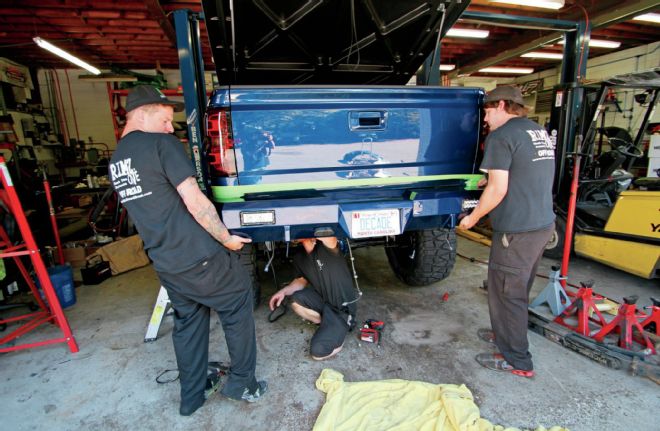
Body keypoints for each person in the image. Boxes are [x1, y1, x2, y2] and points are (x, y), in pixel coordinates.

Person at [109, 85, 267, 416]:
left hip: (166, 261)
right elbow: (195, 202)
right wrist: (227, 240)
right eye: (166, 120)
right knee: (237, 304)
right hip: (200, 256)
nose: (171, 128)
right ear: (143, 113)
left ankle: (191, 396)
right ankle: (242, 383)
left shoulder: (117, 159)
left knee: (189, 321)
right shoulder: (161, 144)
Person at [458, 85, 555, 378]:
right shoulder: (535, 130)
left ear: (500, 105)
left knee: (506, 293)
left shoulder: (501, 136)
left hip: (516, 229)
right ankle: (506, 335)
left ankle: (517, 360)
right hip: (541, 224)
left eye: (486, 111)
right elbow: (522, 175)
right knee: (518, 288)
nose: (484, 119)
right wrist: (486, 185)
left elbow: (499, 189)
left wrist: (473, 217)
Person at [269, 237, 358, 360]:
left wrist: (309, 226)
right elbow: (300, 282)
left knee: (318, 353)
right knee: (295, 299)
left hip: (342, 310)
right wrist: (283, 292)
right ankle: (326, 325)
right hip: (325, 304)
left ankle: (341, 327)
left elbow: (329, 236)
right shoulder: (300, 257)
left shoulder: (327, 246)